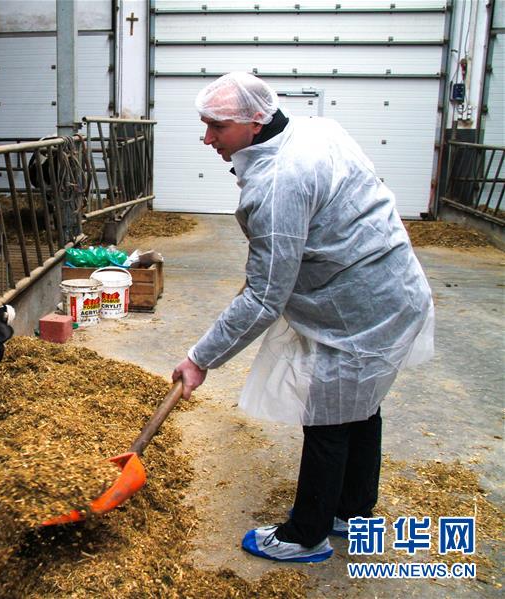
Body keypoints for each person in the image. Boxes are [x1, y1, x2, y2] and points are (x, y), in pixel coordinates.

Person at [171, 72, 434, 563]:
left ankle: (305, 535)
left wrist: (199, 358)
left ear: (254, 121)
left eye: (216, 127)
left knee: (329, 417)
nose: (207, 138)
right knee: (361, 404)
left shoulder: (279, 183)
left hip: (360, 309)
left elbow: (265, 296)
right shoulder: (316, 129)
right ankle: (352, 512)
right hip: (390, 288)